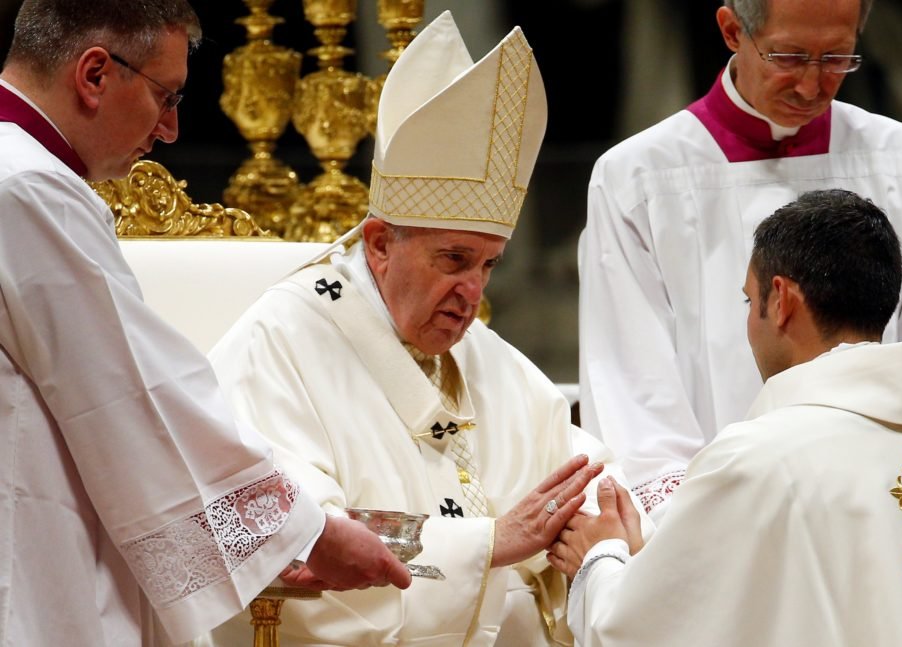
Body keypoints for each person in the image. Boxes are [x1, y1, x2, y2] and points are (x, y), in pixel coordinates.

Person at [199, 11, 651, 647]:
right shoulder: (278, 342)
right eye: (454, 260)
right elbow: (288, 537)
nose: (473, 292)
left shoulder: (473, 347)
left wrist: (606, 524)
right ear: (380, 244)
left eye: (489, 265)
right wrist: (488, 543)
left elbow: (578, 464)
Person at [0, 1, 412, 645]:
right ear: (95, 74)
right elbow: (133, 398)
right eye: (165, 96)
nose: (169, 129)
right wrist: (305, 532)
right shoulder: (27, 189)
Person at [577, 0, 902, 522]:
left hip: (880, 506)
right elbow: (631, 385)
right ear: (732, 30)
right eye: (789, 57)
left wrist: (870, 483)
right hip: (724, 516)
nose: (811, 86)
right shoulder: (638, 178)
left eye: (837, 58)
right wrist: (700, 521)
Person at [551, 189, 902, 646]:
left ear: (781, 301)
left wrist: (601, 557)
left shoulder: (757, 463)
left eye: (748, 300)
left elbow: (640, 630)